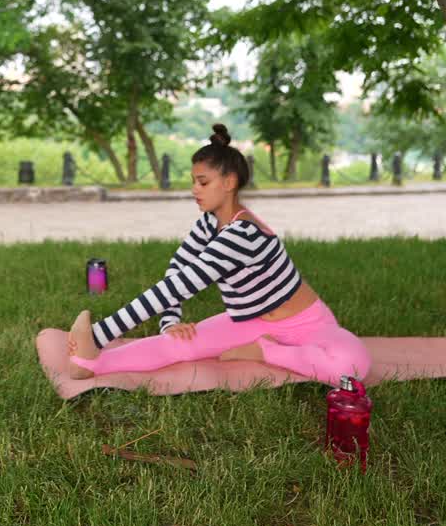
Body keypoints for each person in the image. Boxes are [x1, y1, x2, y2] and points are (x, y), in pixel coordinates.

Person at [68, 124, 371, 386]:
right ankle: (91, 364)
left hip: (307, 326)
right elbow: (178, 271)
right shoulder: (209, 223)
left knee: (352, 365)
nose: (194, 190)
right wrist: (170, 322)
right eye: (193, 181)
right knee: (177, 344)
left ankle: (265, 352)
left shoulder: (244, 234)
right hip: (250, 322)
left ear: (229, 183)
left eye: (202, 182)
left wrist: (100, 333)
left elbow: (182, 285)